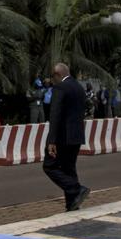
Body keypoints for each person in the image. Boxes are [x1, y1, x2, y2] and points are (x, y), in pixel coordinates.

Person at [43, 61, 89, 212]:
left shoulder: (60, 87)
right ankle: (72, 203)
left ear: (57, 74)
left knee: (49, 166)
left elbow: (55, 115)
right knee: (69, 168)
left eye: (52, 76)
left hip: (63, 136)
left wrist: (51, 140)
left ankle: (76, 189)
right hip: (76, 135)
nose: (52, 80)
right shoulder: (78, 87)